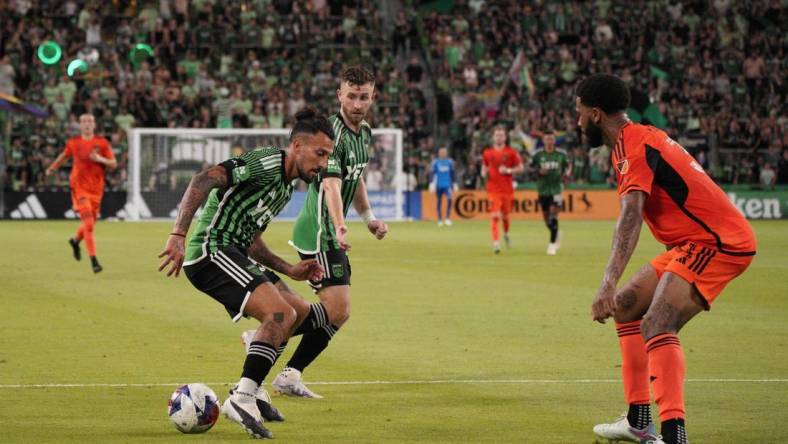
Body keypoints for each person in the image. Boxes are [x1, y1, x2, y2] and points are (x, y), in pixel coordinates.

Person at [576, 74, 756, 444]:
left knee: (657, 323)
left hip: (718, 242)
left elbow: (631, 213)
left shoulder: (633, 145)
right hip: (689, 243)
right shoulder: (632, 139)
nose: (576, 121)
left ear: (595, 114)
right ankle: (638, 421)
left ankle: (675, 437)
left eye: (578, 112)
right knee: (627, 306)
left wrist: (606, 281)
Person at [157, 108, 335, 439]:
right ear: (297, 145)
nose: (323, 163)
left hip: (235, 250)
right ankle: (241, 398)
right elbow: (204, 178)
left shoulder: (285, 188)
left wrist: (290, 270)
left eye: (328, 156)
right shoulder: (266, 163)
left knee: (298, 313)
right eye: (320, 153)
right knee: (279, 313)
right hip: (209, 249)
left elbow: (252, 241)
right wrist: (178, 234)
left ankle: (251, 383)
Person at [253, 66, 388, 399]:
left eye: (364, 97)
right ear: (339, 95)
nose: (358, 103)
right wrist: (341, 225)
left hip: (331, 230)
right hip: (319, 229)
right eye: (352, 96)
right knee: (339, 309)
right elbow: (330, 185)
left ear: (373, 97)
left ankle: (289, 371)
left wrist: (368, 217)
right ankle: (267, 333)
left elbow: (353, 179)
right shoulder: (332, 135)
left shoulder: (365, 132)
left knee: (337, 311)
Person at [45, 114, 117, 273]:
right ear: (79, 125)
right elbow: (64, 156)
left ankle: (76, 241)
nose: (87, 124)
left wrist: (99, 158)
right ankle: (94, 261)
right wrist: (52, 167)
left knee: (89, 224)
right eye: (84, 121)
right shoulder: (74, 143)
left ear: (94, 124)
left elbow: (113, 164)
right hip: (79, 189)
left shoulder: (102, 143)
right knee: (89, 224)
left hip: (96, 190)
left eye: (90, 121)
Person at [482, 126, 523, 253]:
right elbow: (484, 167)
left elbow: (520, 168)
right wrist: (483, 172)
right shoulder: (487, 153)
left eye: (501, 135)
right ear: (493, 137)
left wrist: (509, 170)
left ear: (505, 137)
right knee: (495, 216)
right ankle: (496, 243)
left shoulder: (511, 152)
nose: (499, 137)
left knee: (505, 216)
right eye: (497, 135)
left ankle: (506, 233)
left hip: (507, 190)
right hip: (493, 190)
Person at [531, 130, 570, 255]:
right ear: (543, 140)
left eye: (551, 139)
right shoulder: (537, 155)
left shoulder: (561, 155)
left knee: (553, 215)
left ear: (554, 140)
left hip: (556, 188)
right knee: (546, 218)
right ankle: (556, 233)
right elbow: (530, 169)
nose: (549, 141)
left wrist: (566, 174)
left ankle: (552, 245)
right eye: (547, 139)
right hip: (543, 189)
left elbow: (568, 167)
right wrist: (538, 172)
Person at [430, 146, 457, 226]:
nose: (443, 153)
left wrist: (455, 183)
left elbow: (453, 173)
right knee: (439, 201)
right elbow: (432, 173)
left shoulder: (450, 162)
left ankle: (448, 218)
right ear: (439, 153)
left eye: (444, 152)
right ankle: (439, 219)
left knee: (450, 199)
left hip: (447, 185)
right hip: (438, 185)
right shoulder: (435, 162)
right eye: (442, 152)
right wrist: (431, 183)